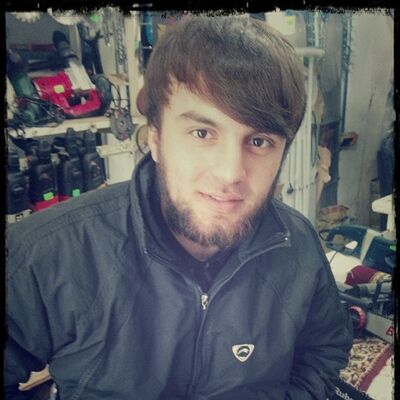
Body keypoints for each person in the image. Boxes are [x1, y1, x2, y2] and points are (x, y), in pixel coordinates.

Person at [5, 15, 352, 400]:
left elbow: (323, 351)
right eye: (202, 133)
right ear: (155, 137)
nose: (230, 173)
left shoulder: (297, 244)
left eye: (259, 142)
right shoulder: (46, 253)